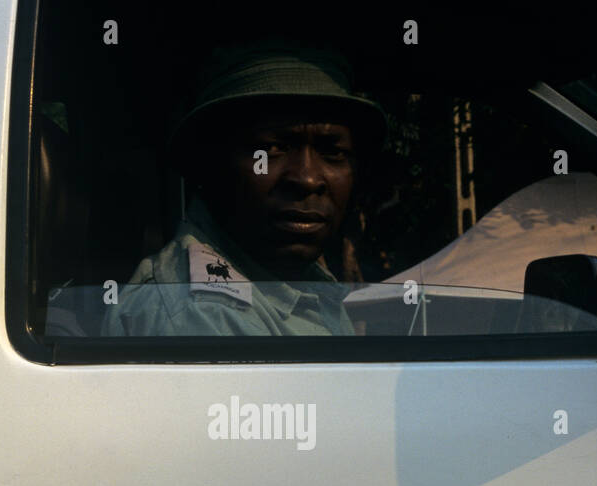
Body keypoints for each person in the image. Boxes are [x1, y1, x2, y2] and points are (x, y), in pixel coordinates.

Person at [101, 43, 385, 337]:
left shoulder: (298, 282)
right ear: (208, 163)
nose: (308, 179)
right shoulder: (203, 315)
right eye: (270, 149)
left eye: (333, 152)